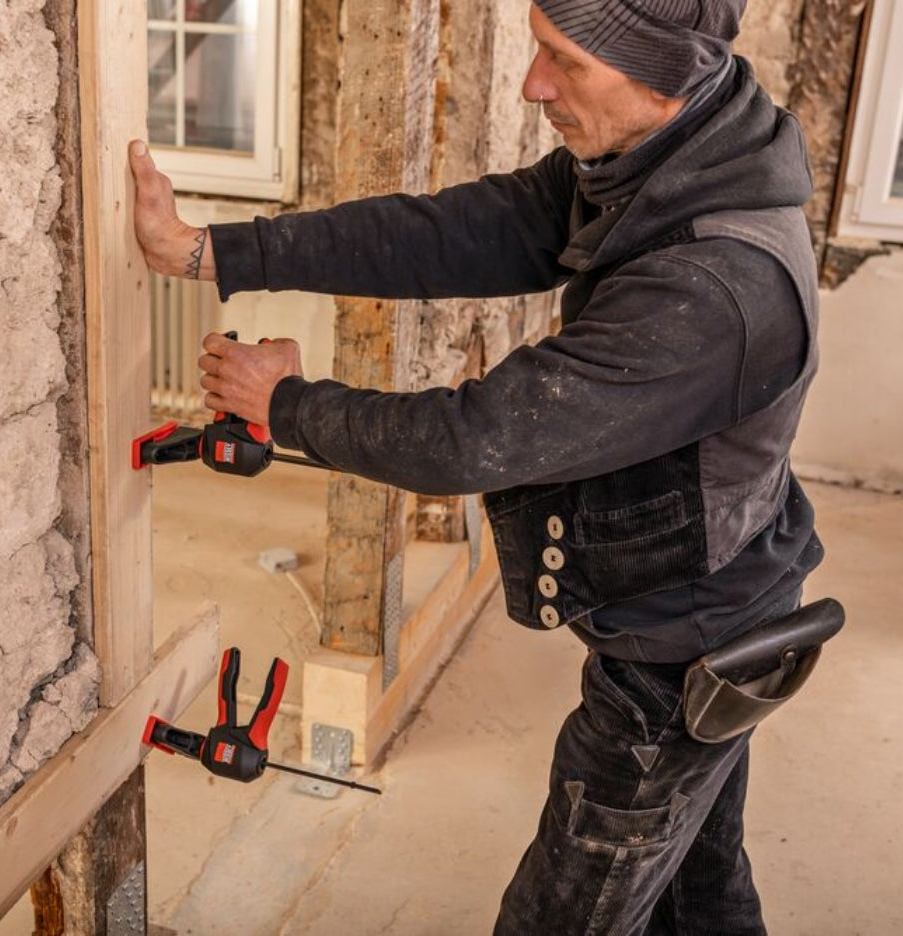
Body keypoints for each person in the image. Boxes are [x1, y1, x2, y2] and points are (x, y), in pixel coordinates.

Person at [130, 2, 825, 932]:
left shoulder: (711, 288)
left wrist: (286, 404)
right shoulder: (670, 154)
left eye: (564, 61)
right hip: (715, 610)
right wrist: (213, 251)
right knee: (698, 891)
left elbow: (479, 438)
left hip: (681, 656)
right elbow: (460, 231)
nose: (534, 86)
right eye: (537, 50)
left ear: (665, 75)